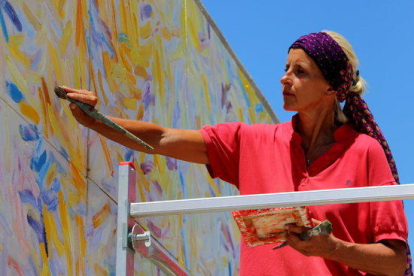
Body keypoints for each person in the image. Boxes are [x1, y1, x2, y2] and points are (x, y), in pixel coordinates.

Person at [62, 31, 410, 275]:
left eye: (300, 72)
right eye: (286, 68)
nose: (284, 79)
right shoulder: (251, 142)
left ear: (333, 87)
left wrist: (331, 248)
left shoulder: (364, 152)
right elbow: (164, 137)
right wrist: (96, 120)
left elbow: (396, 263)